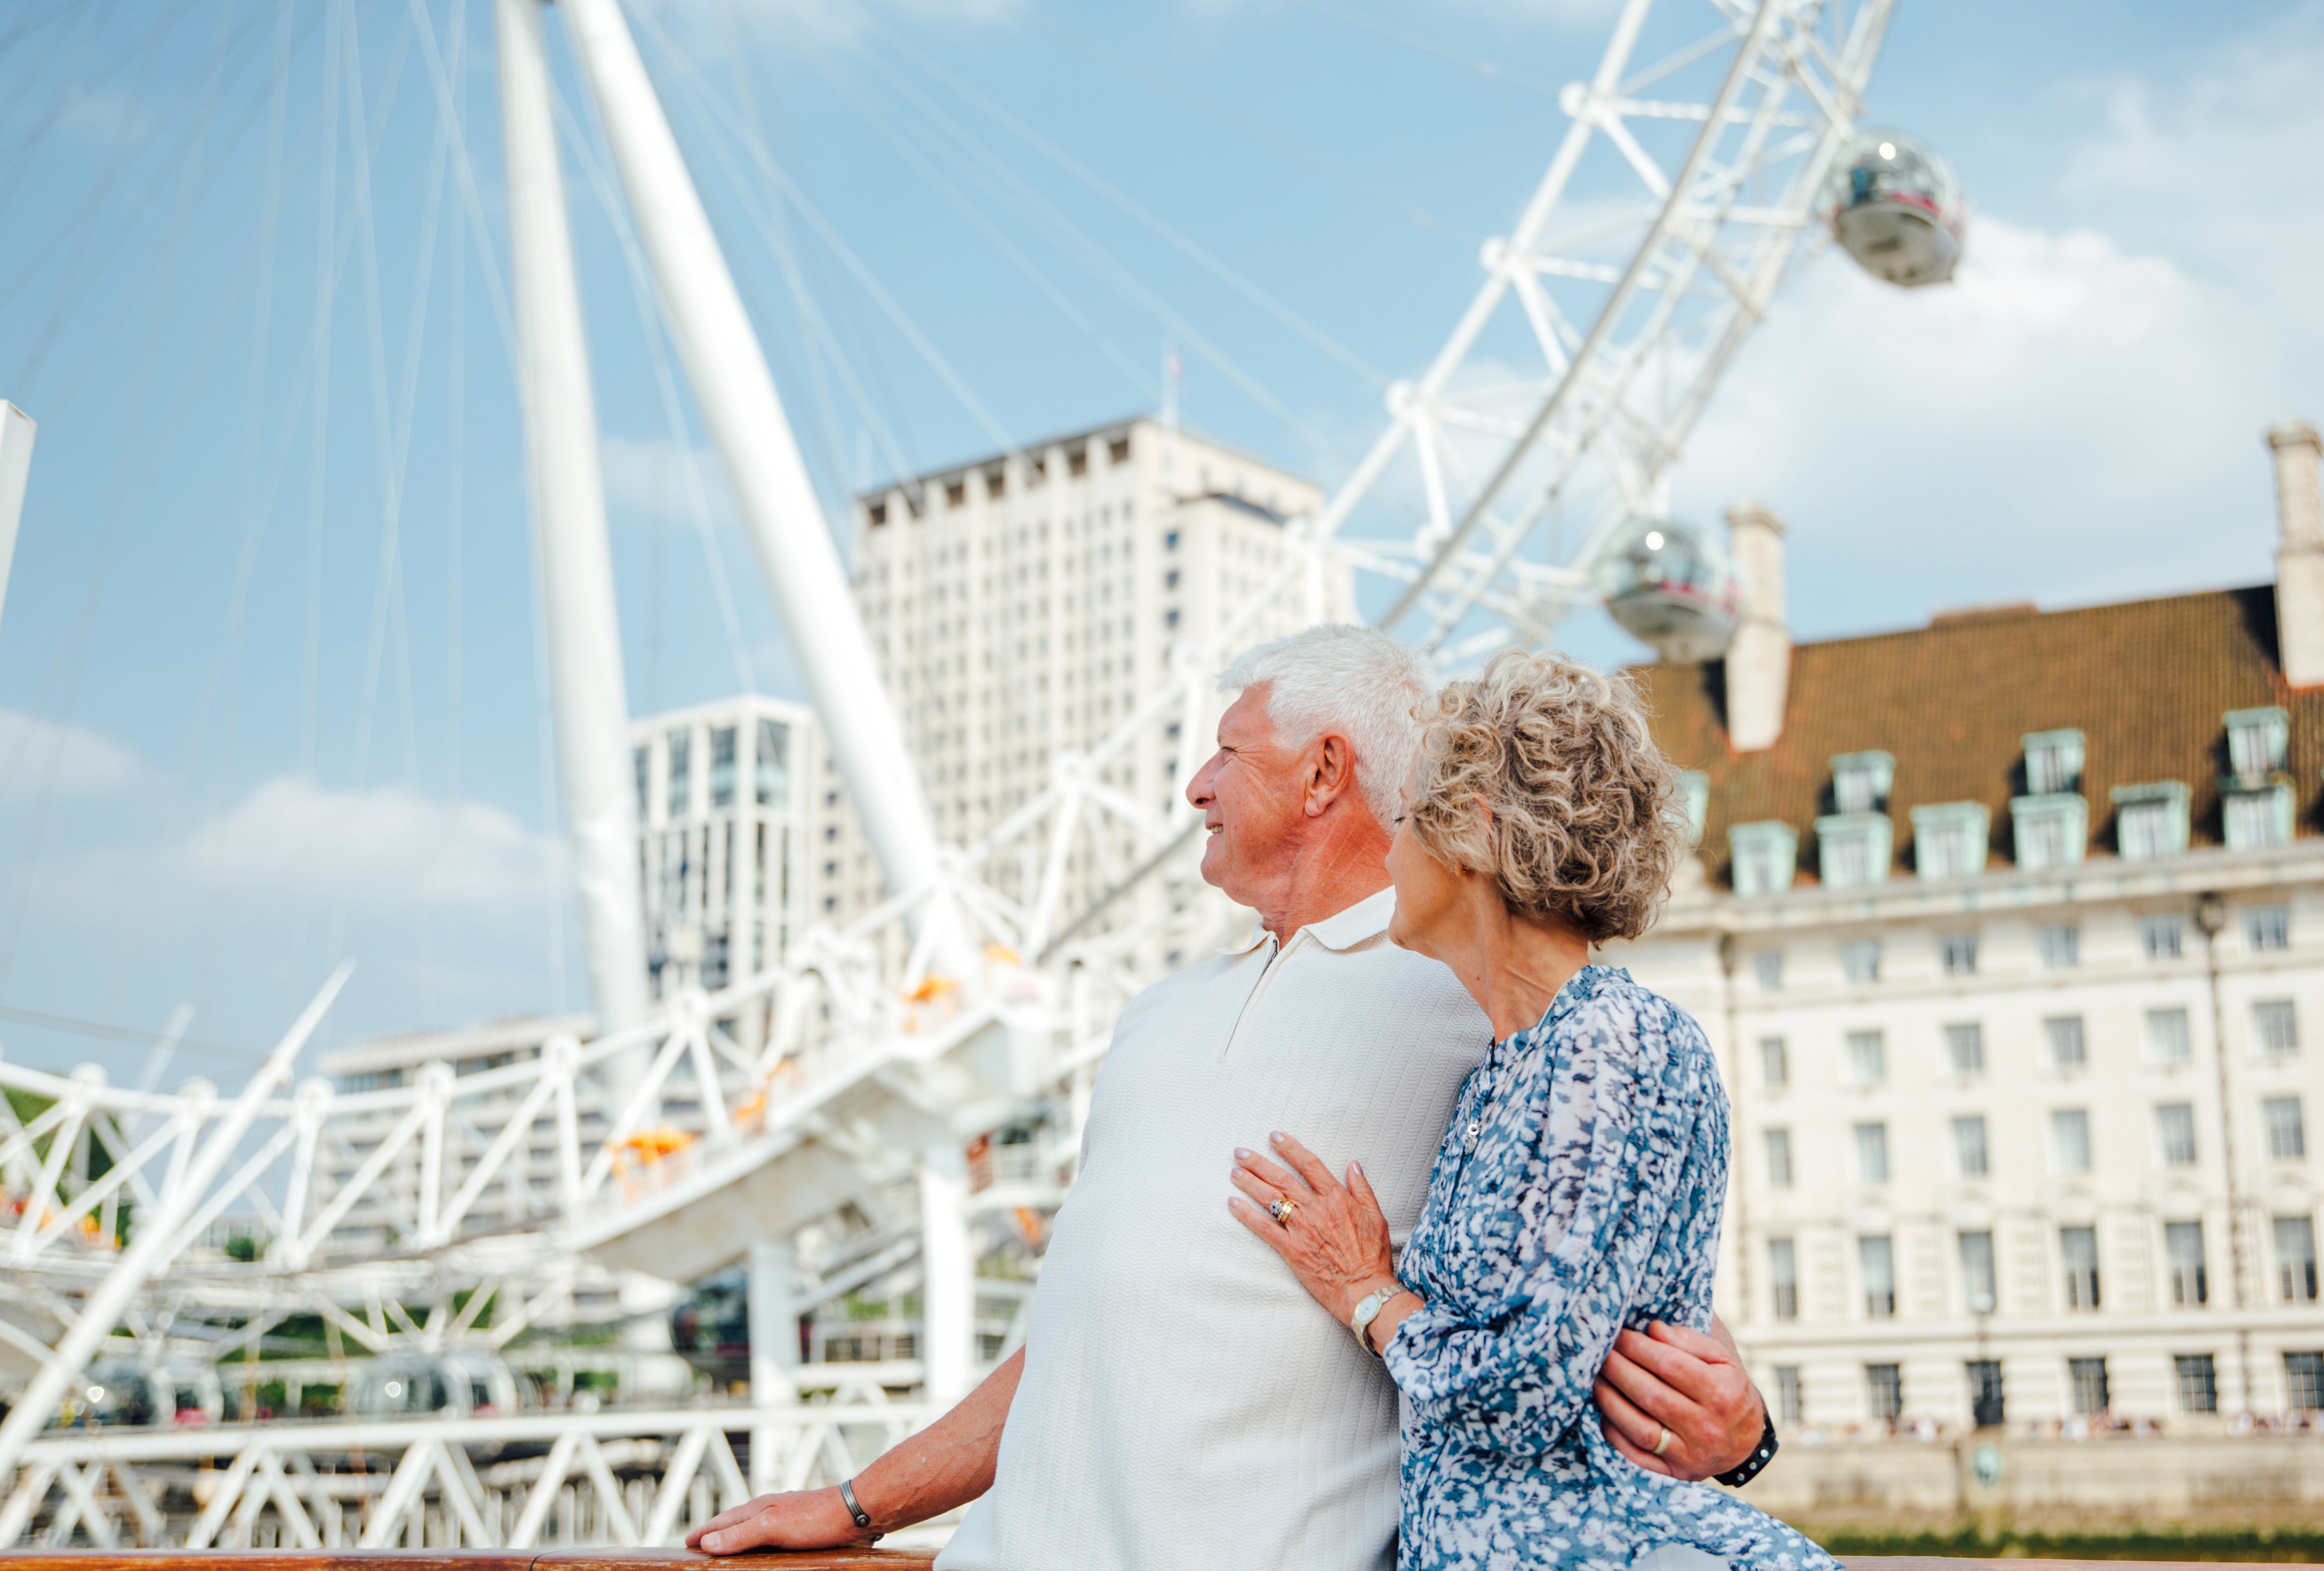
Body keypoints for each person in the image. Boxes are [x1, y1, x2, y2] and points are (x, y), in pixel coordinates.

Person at [688, 625, 1772, 1568]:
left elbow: (1608, 1284)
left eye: (1227, 751)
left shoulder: (1480, 1007)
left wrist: (1747, 1428)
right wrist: (857, 1501)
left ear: (1321, 774)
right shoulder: (1151, 1017)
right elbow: (1077, 1334)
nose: (1196, 785)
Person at [1229, 650, 1828, 1571]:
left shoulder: (1612, 1044)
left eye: (1403, 824)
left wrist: (1366, 1291)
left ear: (1469, 830)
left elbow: (1527, 1383)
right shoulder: (1508, 1064)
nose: (1389, 854)